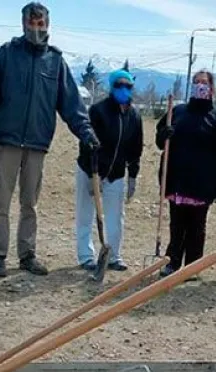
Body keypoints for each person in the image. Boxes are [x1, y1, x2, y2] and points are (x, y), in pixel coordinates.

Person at [0, 2, 99, 277]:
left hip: (37, 145)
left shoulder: (55, 62)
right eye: (32, 23)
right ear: (23, 24)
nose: (36, 28)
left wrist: (87, 134)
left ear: (48, 25)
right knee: (2, 204)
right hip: (6, 142)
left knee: (30, 204)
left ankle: (27, 255)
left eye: (41, 23)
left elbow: (72, 105)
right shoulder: (7, 54)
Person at [155, 70, 216, 276]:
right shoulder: (177, 112)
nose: (200, 86)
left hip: (202, 182)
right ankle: (172, 262)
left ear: (211, 89)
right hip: (177, 179)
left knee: (197, 227)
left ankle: (192, 266)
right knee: (177, 225)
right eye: (197, 82)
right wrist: (164, 135)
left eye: (205, 83)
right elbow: (159, 141)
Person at [74, 69, 143, 272]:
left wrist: (132, 177)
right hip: (91, 171)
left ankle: (113, 255)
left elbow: (135, 149)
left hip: (116, 175)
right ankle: (86, 256)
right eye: (119, 86)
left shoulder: (134, 116)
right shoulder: (98, 110)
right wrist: (90, 174)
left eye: (128, 86)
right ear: (112, 87)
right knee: (86, 214)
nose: (124, 90)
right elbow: (86, 143)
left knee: (115, 217)